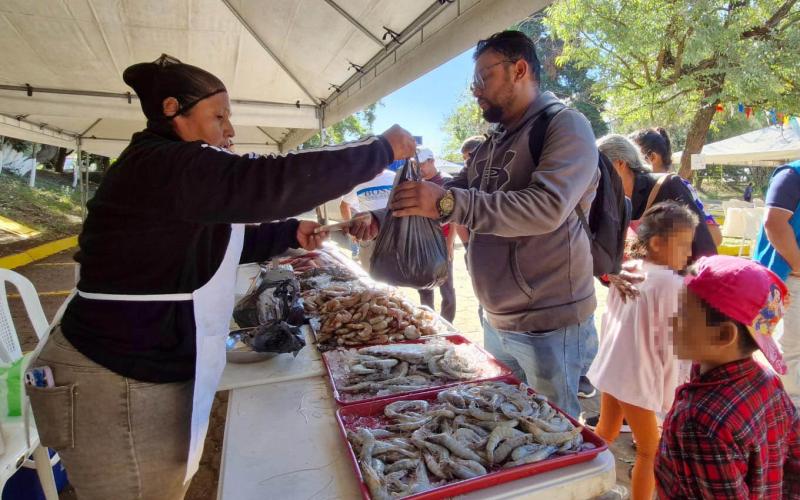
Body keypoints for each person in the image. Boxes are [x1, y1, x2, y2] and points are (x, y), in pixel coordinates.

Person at [25, 54, 416, 500]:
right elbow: (266, 182)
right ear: (173, 109)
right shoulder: (160, 164)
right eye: (219, 116)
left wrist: (288, 232)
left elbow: (205, 244)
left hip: (140, 367)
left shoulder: (172, 173)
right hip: (114, 375)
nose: (229, 129)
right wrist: (379, 150)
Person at [354, 31, 600, 418]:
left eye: (483, 78)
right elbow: (449, 191)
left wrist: (448, 203)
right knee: (506, 420)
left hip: (549, 322)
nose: (475, 90)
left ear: (519, 69)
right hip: (496, 317)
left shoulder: (565, 126)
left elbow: (547, 207)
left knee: (554, 430)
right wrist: (383, 216)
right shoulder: (493, 142)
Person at [656, 255, 800, 498]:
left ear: (723, 335)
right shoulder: (767, 380)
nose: (670, 320)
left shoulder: (699, 421)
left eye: (682, 314)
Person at [587, 201, 695, 500]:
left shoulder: (628, 269)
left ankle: (576, 472)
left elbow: (609, 320)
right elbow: (674, 342)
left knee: (605, 432)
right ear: (658, 243)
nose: (689, 254)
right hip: (636, 378)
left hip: (613, 369)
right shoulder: (671, 283)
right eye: (684, 245)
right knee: (651, 449)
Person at [598, 134, 717, 261]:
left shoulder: (668, 186)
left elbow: (703, 247)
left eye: (599, 169)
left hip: (681, 278)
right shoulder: (609, 202)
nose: (595, 177)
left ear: (620, 163)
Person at [754, 160, 800, 406]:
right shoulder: (792, 175)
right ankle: (790, 412)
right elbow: (774, 223)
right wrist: (798, 265)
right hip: (787, 281)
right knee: (787, 351)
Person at [631, 128, 723, 246]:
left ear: (653, 158)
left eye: (633, 159)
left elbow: (715, 237)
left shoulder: (678, 187)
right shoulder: (634, 192)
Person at [413, 146, 456, 322]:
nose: (419, 168)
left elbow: (455, 217)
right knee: (424, 286)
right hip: (421, 242)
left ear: (432, 161)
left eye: (421, 164)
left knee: (446, 288)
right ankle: (428, 322)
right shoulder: (416, 183)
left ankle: (447, 324)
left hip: (442, 241)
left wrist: (449, 244)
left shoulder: (447, 182)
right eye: (416, 165)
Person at [340, 168, 396, 262]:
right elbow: (344, 206)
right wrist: (351, 231)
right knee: (368, 271)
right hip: (368, 236)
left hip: (393, 234)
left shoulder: (394, 177)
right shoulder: (358, 181)